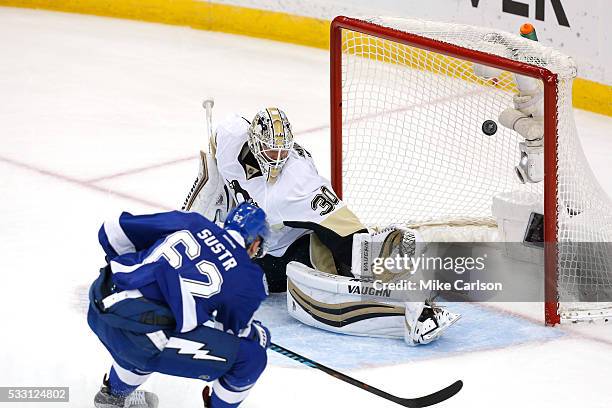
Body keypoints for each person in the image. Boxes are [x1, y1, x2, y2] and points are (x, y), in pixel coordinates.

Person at [183, 107, 460, 346]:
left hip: (296, 249)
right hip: (255, 247)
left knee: (345, 267)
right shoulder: (230, 135)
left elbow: (342, 226)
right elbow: (215, 155)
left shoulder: (296, 182)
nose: (278, 157)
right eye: (270, 149)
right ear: (254, 143)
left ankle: (408, 300)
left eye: (283, 149)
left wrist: (366, 258)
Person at [87, 202, 271, 408]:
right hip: (141, 338)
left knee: (160, 322)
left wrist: (137, 276)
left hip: (99, 302)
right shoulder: (249, 277)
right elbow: (230, 334)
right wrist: (257, 336)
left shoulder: (192, 222)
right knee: (251, 358)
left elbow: (111, 231)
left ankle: (113, 398)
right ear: (255, 243)